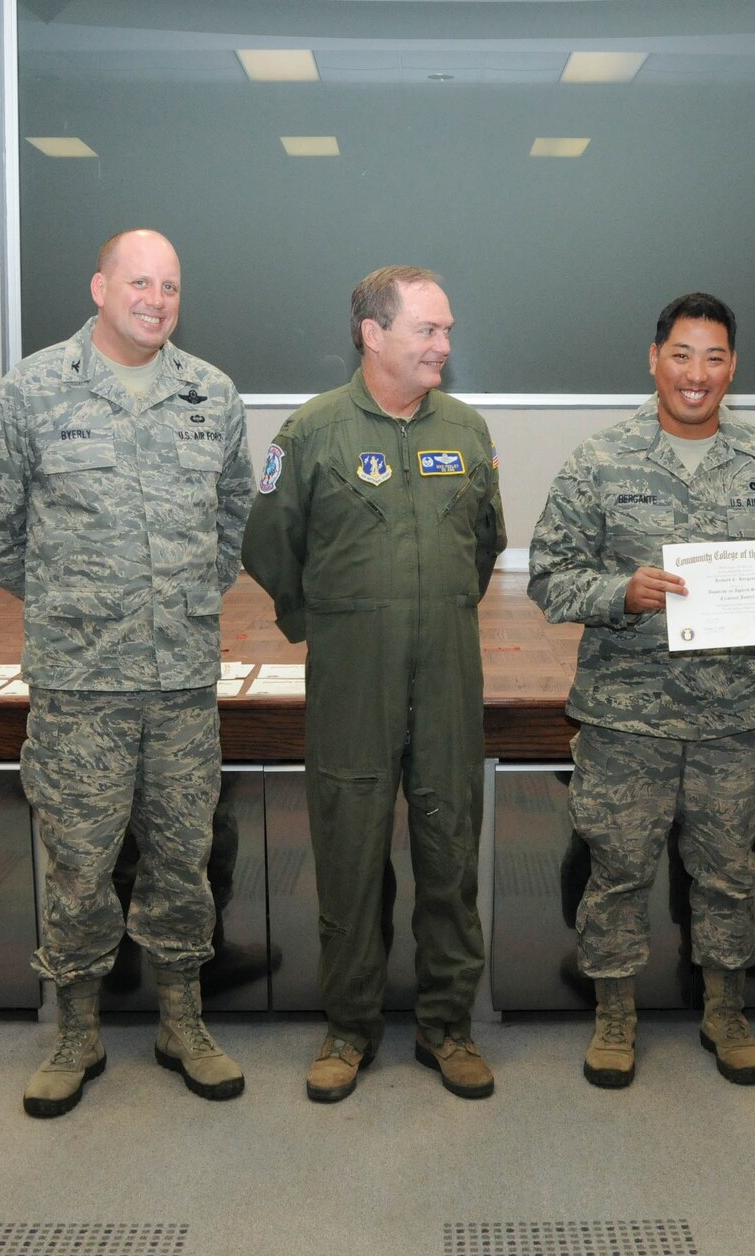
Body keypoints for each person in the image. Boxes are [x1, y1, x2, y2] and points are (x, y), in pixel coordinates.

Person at [0, 228, 253, 1116]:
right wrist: (61, 592)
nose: (154, 299)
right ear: (98, 287)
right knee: (80, 864)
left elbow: (233, 511)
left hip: (182, 682)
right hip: (80, 683)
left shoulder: (212, 393)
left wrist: (190, 589)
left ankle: (183, 1022)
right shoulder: (36, 387)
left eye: (169, 284)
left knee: (182, 858)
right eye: (137, 282)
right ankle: (76, 1031)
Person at [528, 293, 755, 1089]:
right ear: (654, 360)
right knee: (616, 873)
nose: (697, 374)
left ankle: (726, 1010)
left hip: (732, 719)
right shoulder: (598, 460)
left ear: (733, 368)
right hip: (626, 719)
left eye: (714, 358)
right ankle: (614, 1016)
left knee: (726, 876)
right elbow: (549, 579)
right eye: (682, 355)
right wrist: (623, 592)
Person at [242, 266, 506, 1102]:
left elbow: (487, 543)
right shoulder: (312, 433)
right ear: (373, 333)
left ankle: (447, 1027)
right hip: (352, 680)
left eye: (447, 330)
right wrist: (334, 621)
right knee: (350, 855)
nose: (444, 345)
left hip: (450, 675)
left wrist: (431, 608)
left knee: (450, 852)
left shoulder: (466, 431)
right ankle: (349, 1027)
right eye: (429, 330)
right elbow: (269, 545)